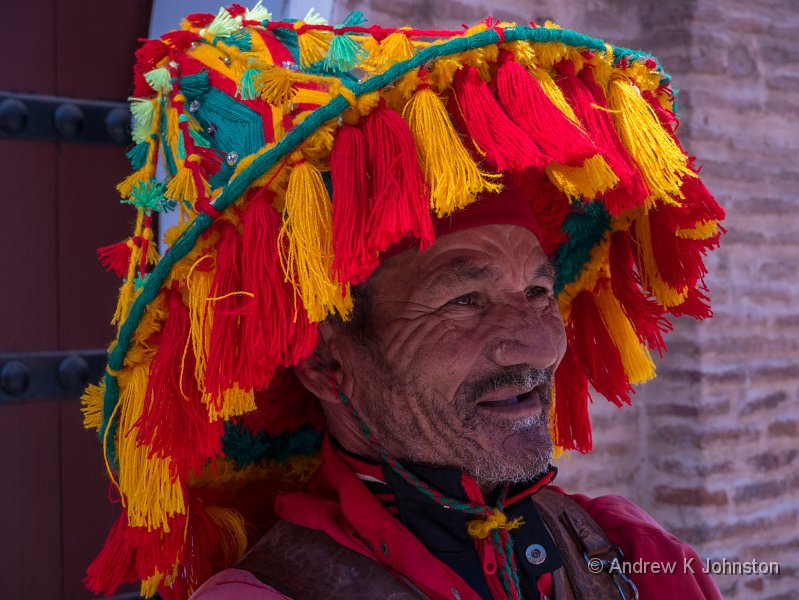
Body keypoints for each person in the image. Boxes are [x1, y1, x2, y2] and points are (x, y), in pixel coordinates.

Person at [83, 4, 725, 599]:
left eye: (536, 291)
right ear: (327, 366)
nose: (540, 344)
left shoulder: (635, 554)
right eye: (465, 300)